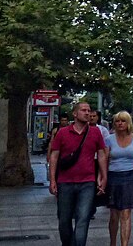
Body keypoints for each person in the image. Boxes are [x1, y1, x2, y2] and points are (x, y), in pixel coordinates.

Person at [48, 100, 107, 246]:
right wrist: (52, 180)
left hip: (87, 182)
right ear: (75, 114)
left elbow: (101, 154)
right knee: (64, 220)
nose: (87, 113)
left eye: (89, 110)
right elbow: (54, 156)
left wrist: (103, 176)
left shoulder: (95, 132)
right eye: (83, 110)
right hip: (65, 182)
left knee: (83, 218)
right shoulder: (62, 133)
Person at [105, 111, 133, 246]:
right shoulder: (109, 139)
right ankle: (113, 242)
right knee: (114, 215)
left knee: (126, 213)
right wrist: (102, 178)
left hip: (130, 177)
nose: (120, 123)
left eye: (123, 121)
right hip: (113, 177)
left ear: (128, 123)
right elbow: (105, 159)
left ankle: (125, 244)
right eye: (117, 121)